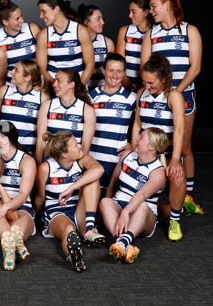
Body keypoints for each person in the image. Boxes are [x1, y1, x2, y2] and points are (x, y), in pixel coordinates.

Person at [140, 0, 203, 216]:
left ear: (167, 5)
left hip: (181, 94)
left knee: (184, 148)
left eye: (154, 6)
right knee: (158, 148)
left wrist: (175, 92)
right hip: (157, 95)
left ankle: (188, 199)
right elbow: (145, 67)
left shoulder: (190, 31)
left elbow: (195, 67)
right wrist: (161, 91)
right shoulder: (151, 33)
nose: (151, 10)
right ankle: (161, 197)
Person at [132, 53, 189, 241]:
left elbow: (180, 129)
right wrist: (134, 148)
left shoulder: (173, 96)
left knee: (178, 176)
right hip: (145, 152)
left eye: (151, 83)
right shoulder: (141, 93)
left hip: (165, 152)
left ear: (163, 79)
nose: (147, 87)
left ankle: (174, 219)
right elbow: (138, 124)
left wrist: (174, 159)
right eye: (145, 82)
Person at [33, 130, 104, 272]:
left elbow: (99, 169)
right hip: (57, 212)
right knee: (69, 231)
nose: (80, 146)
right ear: (64, 154)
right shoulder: (45, 168)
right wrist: (33, 218)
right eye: (75, 145)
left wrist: (71, 188)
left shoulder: (82, 159)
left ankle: (89, 230)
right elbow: (40, 197)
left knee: (92, 179)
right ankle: (73, 257)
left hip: (79, 210)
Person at [99, 128, 169, 264]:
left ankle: (122, 241)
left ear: (151, 147)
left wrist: (126, 212)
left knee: (142, 206)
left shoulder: (158, 172)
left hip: (142, 216)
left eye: (141, 137)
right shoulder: (127, 155)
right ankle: (124, 244)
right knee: (105, 202)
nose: (136, 139)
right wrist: (106, 211)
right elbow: (113, 182)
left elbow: (142, 194)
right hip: (120, 206)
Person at [0, 121, 37, 270]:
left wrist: (5, 207)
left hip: (20, 209)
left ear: (5, 140)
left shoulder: (26, 161)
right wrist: (1, 208)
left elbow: (24, 195)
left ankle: (9, 247)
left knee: (18, 226)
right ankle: (14, 245)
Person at [88, 53, 137, 190]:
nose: (114, 76)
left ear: (124, 73)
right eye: (110, 70)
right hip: (93, 160)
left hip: (117, 162)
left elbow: (141, 124)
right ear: (103, 71)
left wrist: (134, 145)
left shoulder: (131, 98)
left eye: (119, 71)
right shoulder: (90, 96)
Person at [35, 68, 96, 165]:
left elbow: (85, 147)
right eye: (55, 80)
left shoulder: (87, 111)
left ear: (71, 84)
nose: (54, 84)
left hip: (73, 167)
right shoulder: (47, 106)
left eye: (58, 81)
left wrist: (76, 170)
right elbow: (41, 141)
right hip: (49, 166)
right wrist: (39, 166)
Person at [35, 0, 95, 91]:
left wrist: (77, 89)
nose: (41, 16)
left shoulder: (80, 31)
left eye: (43, 11)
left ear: (56, 9)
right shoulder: (43, 35)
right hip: (54, 89)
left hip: (78, 89)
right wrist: (57, 88)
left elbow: (90, 65)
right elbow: (41, 69)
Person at [0, 59, 50, 152]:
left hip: (28, 151)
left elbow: (42, 133)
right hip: (2, 150)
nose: (11, 72)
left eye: (16, 70)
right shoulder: (4, 91)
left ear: (27, 77)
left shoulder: (42, 97)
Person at [0, 0, 41, 85]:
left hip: (34, 84)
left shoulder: (33, 29)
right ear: (5, 22)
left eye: (21, 16)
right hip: (10, 86)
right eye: (17, 19)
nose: (22, 20)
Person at [115, 0, 152, 90]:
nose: (130, 15)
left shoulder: (156, 32)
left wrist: (147, 84)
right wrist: (124, 78)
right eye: (130, 11)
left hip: (148, 86)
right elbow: (119, 60)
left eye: (133, 12)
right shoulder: (124, 31)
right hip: (126, 84)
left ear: (146, 12)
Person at [77, 4, 115, 90]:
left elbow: (112, 70)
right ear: (86, 22)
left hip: (101, 91)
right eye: (98, 19)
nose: (103, 22)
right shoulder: (75, 42)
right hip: (81, 90)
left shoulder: (107, 43)